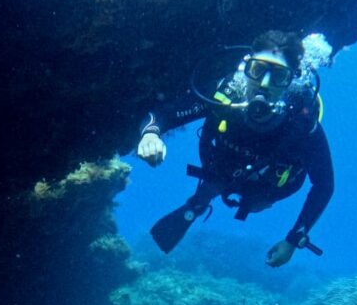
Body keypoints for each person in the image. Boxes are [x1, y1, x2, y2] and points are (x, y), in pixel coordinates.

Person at [136, 30, 334, 267]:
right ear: (245, 67)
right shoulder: (225, 95)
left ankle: (221, 198)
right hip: (220, 172)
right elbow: (163, 114)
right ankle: (198, 203)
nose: (264, 84)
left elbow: (324, 184)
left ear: (290, 81)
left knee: (254, 197)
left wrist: (293, 239)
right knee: (211, 187)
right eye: (258, 70)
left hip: (268, 188)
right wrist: (150, 134)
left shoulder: (302, 123)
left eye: (279, 75)